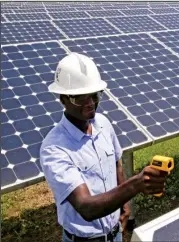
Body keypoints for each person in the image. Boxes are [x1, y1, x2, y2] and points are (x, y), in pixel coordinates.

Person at [40, 53, 168, 242]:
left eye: (94, 95)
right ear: (63, 99)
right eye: (80, 98)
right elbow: (86, 207)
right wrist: (136, 185)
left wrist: (124, 205)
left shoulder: (103, 124)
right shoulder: (54, 148)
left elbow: (115, 163)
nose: (90, 103)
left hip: (115, 234)